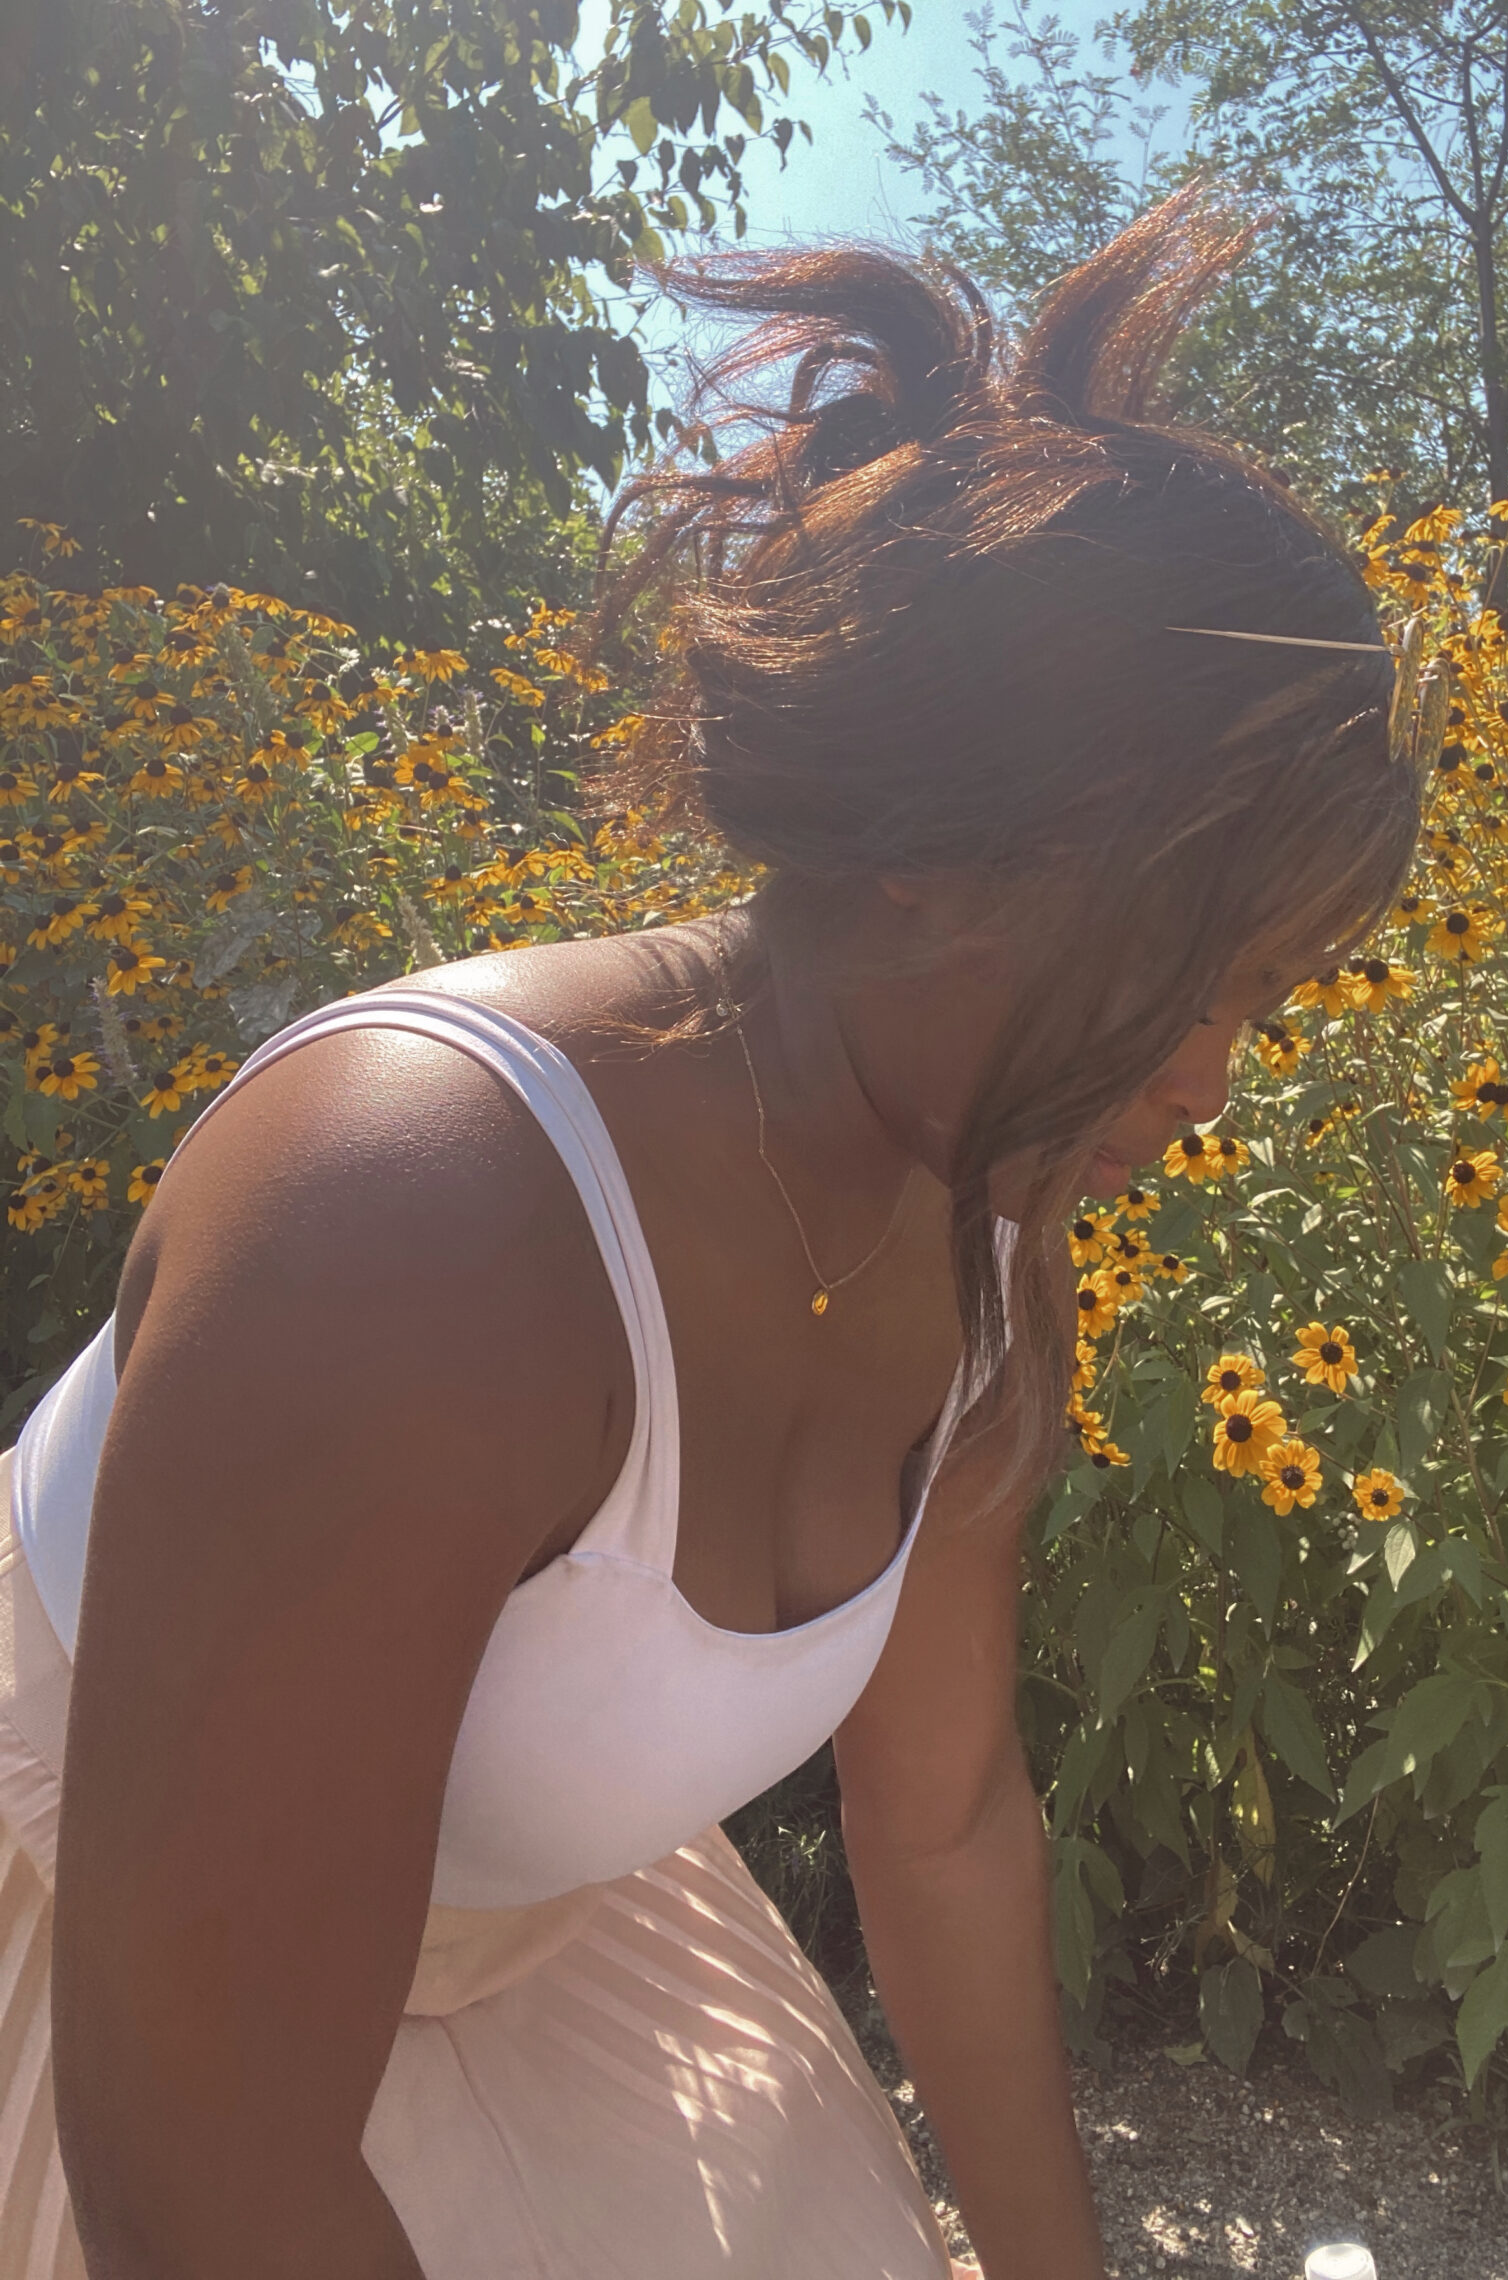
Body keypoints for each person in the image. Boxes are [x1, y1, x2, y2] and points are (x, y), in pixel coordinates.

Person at [0, 190, 1418, 2280]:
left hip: (528, 1948)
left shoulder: (986, 1251)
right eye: (1196, 974)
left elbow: (937, 1821)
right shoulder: (409, 1224)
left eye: (1268, 1002)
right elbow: (201, 2164)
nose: (1220, 1074)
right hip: (101, 1986)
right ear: (949, 860)